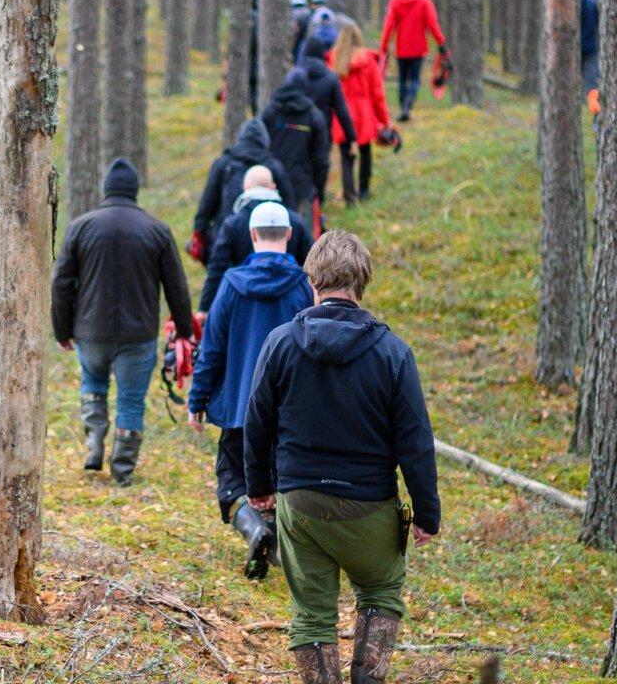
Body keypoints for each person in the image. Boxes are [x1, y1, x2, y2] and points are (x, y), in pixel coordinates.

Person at [243, 232, 440, 683]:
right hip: (370, 506)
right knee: (380, 591)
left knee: (312, 613)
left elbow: (256, 423)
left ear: (312, 279)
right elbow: (415, 441)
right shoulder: (393, 354)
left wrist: (258, 488)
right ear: (362, 281)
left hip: (301, 501)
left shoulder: (280, 343)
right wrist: (427, 513)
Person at [186, 201, 313, 580]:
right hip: (288, 410)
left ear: (253, 235)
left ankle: (253, 528)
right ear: (289, 236)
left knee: (231, 478)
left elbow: (212, 348)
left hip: (240, 406)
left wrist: (197, 399)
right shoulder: (305, 286)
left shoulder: (231, 284)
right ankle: (273, 535)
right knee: (279, 476)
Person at [52, 159, 197, 485]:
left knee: (93, 383)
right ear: (134, 191)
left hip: (91, 331)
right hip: (138, 334)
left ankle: (94, 441)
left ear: (106, 190)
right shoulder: (157, 230)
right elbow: (177, 287)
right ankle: (123, 470)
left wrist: (62, 329)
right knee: (131, 400)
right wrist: (185, 332)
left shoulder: (81, 226)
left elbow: (61, 282)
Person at [201, 165, 314, 313]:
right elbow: (313, 264)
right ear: (273, 187)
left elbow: (216, 268)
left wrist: (204, 308)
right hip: (291, 306)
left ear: (246, 188)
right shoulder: (294, 220)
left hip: (243, 305)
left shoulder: (232, 225)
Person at [192, 119, 290, 263]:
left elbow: (207, 204)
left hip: (227, 239)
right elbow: (288, 205)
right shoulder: (274, 167)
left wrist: (198, 234)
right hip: (267, 242)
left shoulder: (223, 163)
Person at [328, 22, 391, 205]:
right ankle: (363, 190)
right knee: (365, 152)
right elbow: (378, 94)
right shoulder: (368, 60)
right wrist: (384, 120)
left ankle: (350, 195)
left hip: (341, 114)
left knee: (346, 155)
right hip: (364, 114)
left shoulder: (334, 59)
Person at [258, 79, 331, 225]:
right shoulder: (313, 116)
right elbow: (321, 159)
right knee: (305, 240)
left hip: (273, 185)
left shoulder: (269, 113)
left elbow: (260, 148)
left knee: (272, 234)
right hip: (304, 188)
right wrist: (319, 192)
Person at [379, 0, 448, 122]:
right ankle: (409, 105)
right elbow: (432, 24)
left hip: (402, 48)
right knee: (415, 79)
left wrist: (383, 47)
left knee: (403, 79)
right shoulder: (424, 0)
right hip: (419, 48)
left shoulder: (395, 1)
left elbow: (388, 26)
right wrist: (441, 43)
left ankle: (403, 106)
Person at [285, 34, 357, 164]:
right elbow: (341, 110)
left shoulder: (294, 76)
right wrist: (351, 137)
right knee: (319, 170)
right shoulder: (330, 78)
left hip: (298, 131)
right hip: (322, 133)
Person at [579, 0, 601, 116]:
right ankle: (596, 117)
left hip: (577, 51)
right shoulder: (593, 3)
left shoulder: (574, 3)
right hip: (590, 49)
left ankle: (596, 113)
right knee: (592, 85)